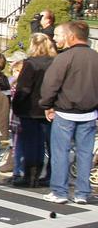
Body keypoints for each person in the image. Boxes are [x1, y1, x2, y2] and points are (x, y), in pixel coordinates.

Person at [38, 21, 98, 204]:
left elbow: (51, 84)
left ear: (71, 36)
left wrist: (47, 105)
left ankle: (60, 191)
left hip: (65, 112)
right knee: (85, 154)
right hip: (89, 113)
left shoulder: (64, 58)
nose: (56, 39)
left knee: (60, 153)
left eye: (59, 35)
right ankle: (82, 192)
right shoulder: (95, 57)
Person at [9, 34, 57, 187]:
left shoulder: (30, 64)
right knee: (47, 144)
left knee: (31, 144)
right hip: (49, 107)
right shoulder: (55, 62)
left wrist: (16, 105)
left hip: (30, 109)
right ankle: (48, 175)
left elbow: (24, 88)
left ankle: (30, 176)